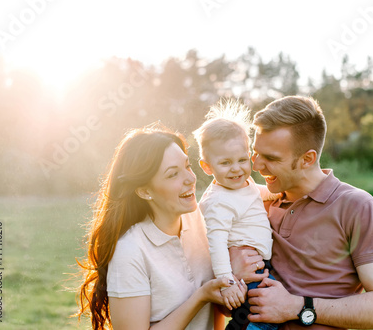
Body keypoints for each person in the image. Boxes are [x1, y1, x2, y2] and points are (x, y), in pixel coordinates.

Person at [229, 96, 373, 330]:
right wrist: (233, 276)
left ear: (307, 159)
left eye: (271, 158)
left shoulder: (357, 207)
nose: (256, 165)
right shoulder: (251, 203)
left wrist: (298, 307)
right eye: (255, 152)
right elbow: (223, 305)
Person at [75, 123, 246, 330]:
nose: (191, 179)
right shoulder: (129, 251)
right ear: (145, 191)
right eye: (173, 174)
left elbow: (220, 308)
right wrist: (200, 297)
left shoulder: (200, 219)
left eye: (187, 166)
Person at [194, 100, 280, 330]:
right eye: (225, 163)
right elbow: (217, 244)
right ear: (207, 166)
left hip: (259, 265)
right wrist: (228, 283)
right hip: (243, 274)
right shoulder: (217, 202)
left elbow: (256, 192)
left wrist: (277, 193)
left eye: (242, 160)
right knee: (265, 319)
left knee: (257, 316)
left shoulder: (244, 183)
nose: (236, 169)